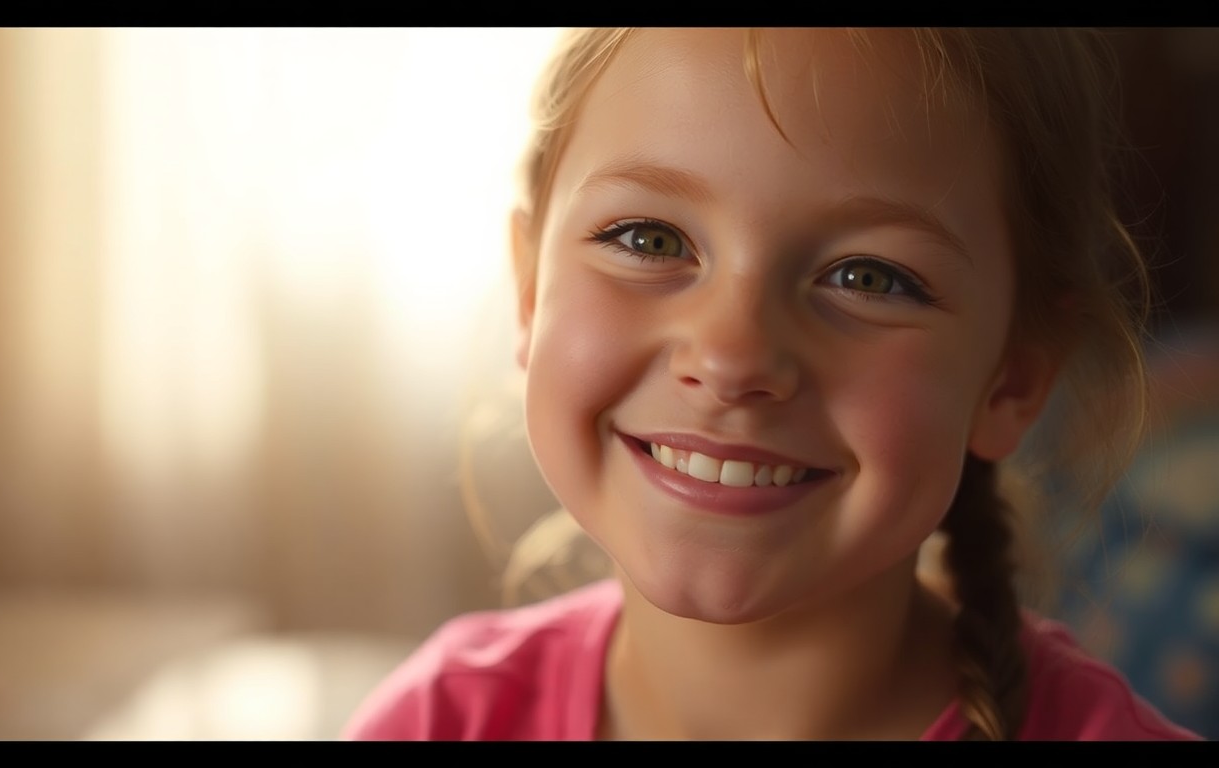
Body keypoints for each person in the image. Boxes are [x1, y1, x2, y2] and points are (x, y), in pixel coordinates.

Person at [343, 28, 1203, 740]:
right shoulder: (435, 721)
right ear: (531, 290)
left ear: (1012, 377)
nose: (731, 357)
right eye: (648, 239)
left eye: (867, 278)